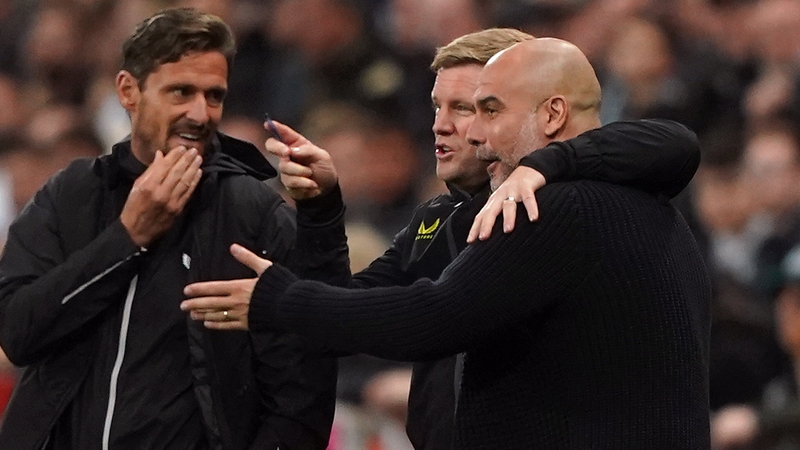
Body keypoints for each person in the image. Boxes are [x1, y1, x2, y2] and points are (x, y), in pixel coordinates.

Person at [183, 37, 711, 447]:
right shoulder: (642, 203)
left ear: (551, 114)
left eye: (485, 110)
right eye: (450, 108)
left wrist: (279, 298)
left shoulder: (548, 206)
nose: (462, 131)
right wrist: (321, 215)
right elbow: (351, 309)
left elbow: (431, 318)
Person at [0, 8, 336, 450]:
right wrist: (127, 238)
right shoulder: (71, 194)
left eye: (214, 96)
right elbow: (18, 332)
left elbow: (305, 385)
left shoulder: (253, 212)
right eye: (181, 92)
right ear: (128, 90)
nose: (200, 114)